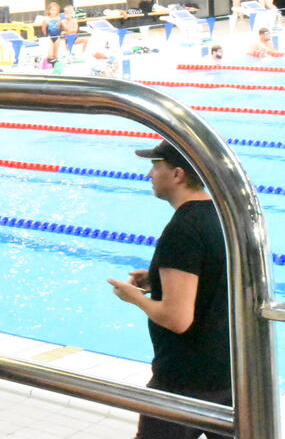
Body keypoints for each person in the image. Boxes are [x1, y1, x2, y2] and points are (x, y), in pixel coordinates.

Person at [106, 141, 230, 439]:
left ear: (177, 174)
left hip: (184, 377)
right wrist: (157, 280)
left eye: (155, 166)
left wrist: (134, 298)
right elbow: (214, 277)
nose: (149, 174)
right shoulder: (219, 216)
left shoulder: (182, 229)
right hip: (226, 371)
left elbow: (177, 319)